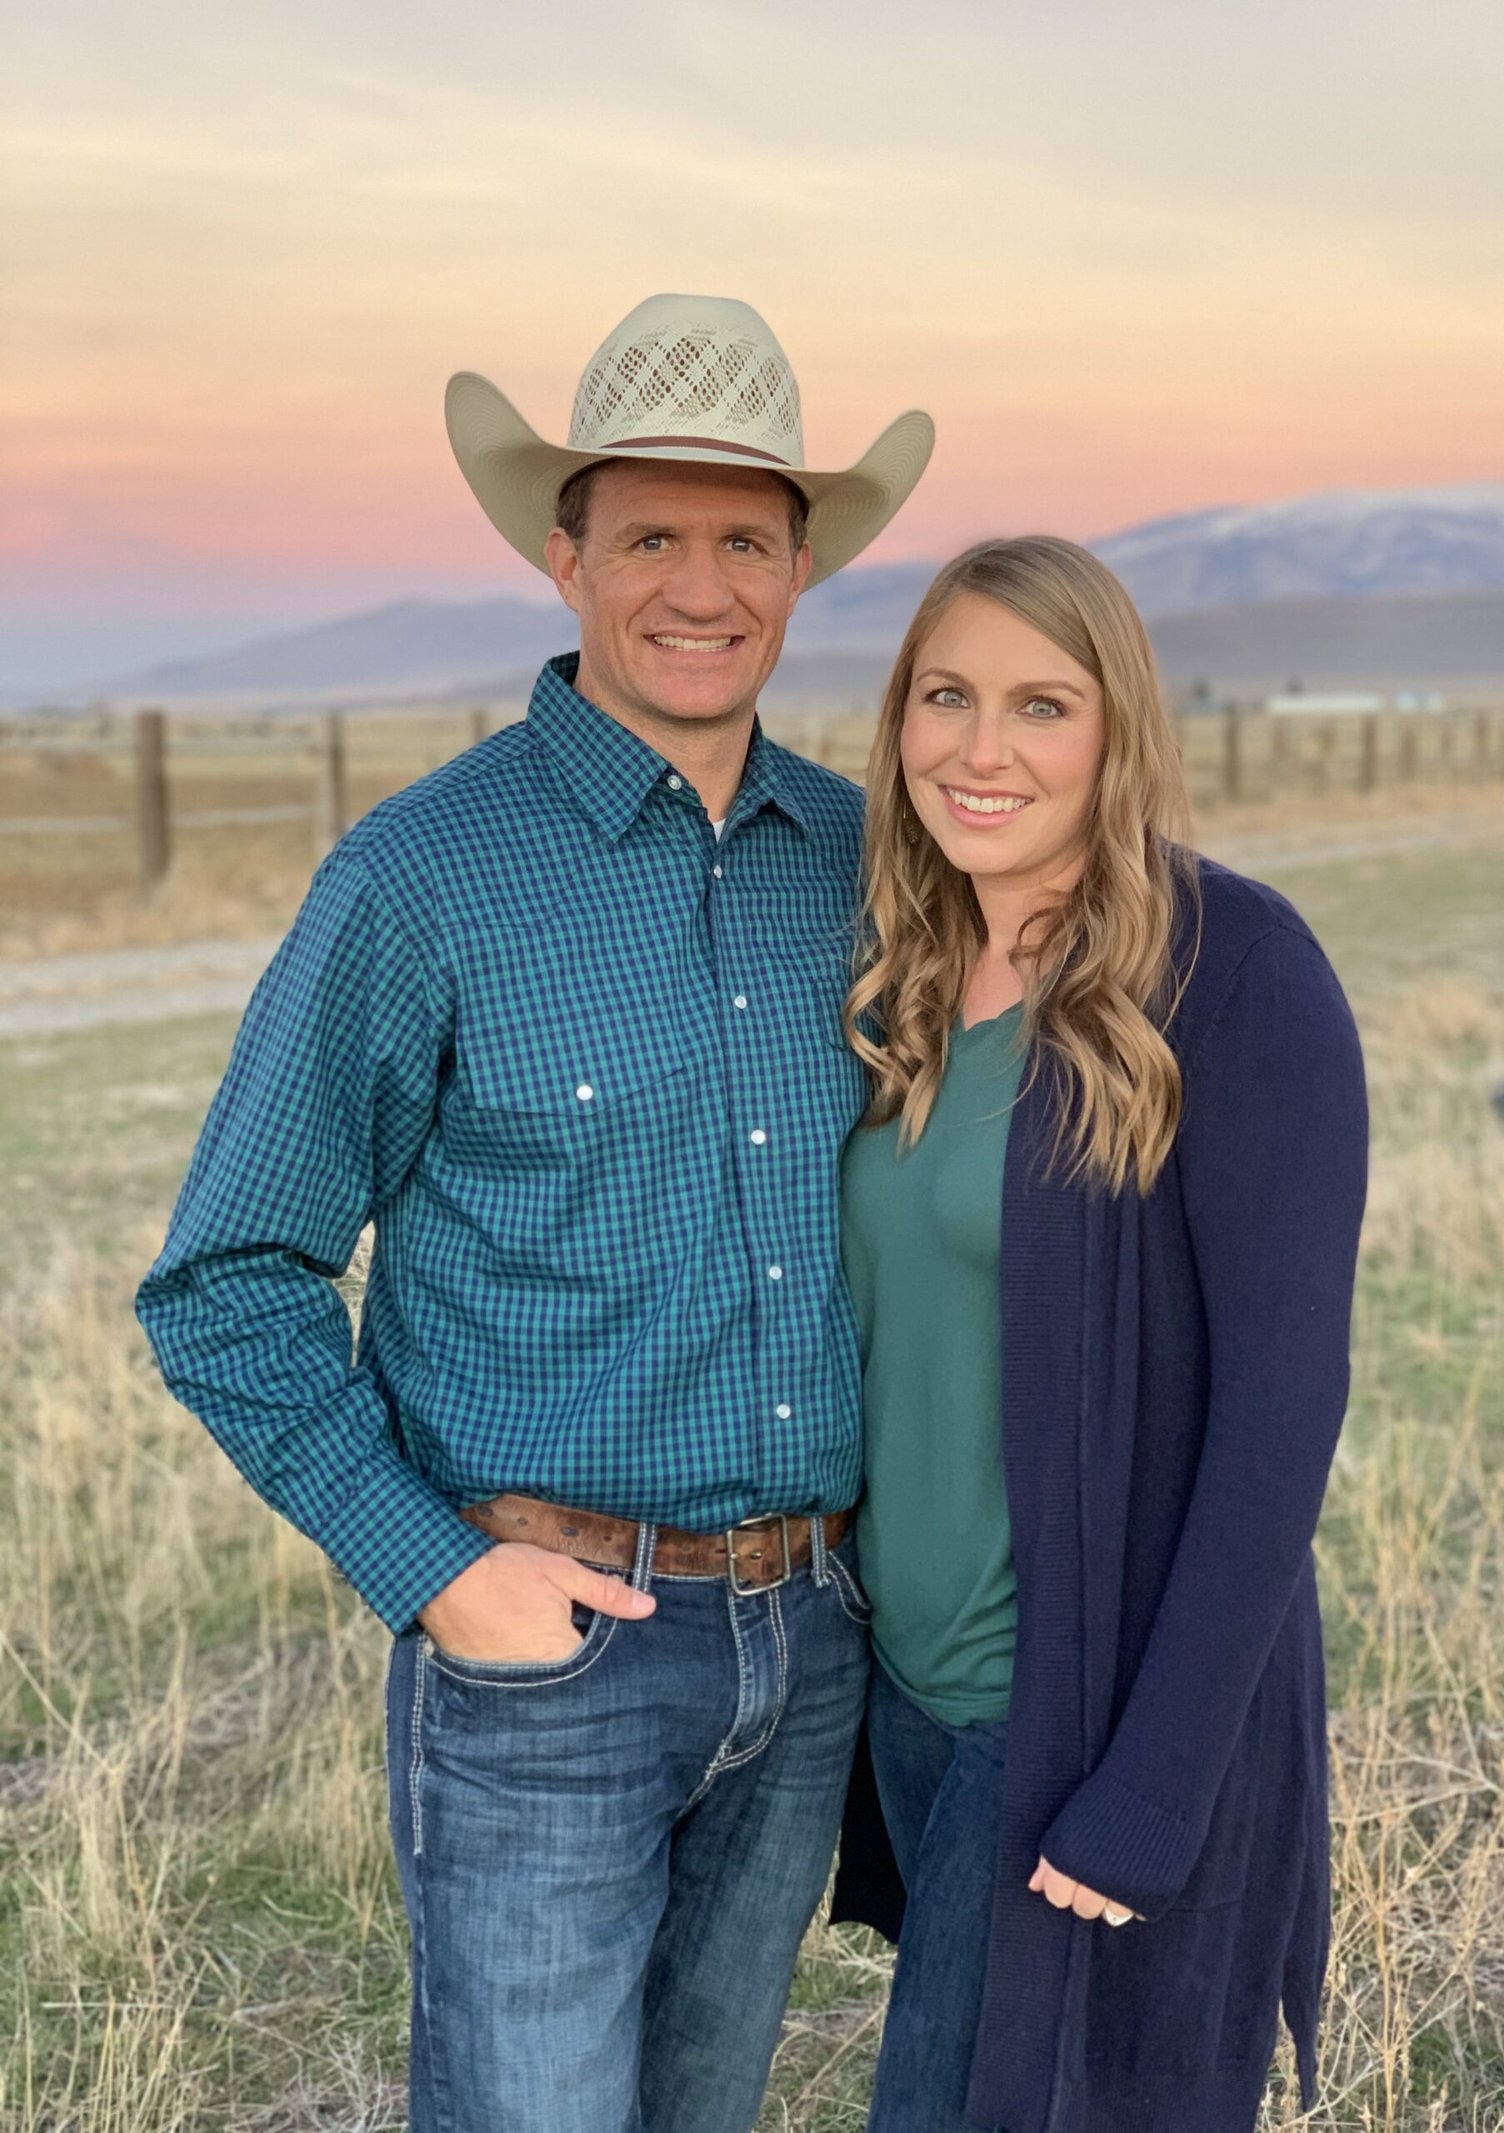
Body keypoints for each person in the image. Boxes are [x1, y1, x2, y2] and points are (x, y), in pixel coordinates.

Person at [135, 293, 933, 2133]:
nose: (699, 583)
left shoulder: (866, 866)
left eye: (745, 537)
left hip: (810, 1644)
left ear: (803, 566)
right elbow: (226, 1281)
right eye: (650, 533)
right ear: (563, 557)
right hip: (548, 1654)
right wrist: (438, 1574)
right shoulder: (422, 878)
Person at [830, 536, 1367, 2132]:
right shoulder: (914, 974)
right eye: (947, 694)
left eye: (1040, 705)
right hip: (913, 1701)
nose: (981, 749)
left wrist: (1151, 1787)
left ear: (1118, 731)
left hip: (1071, 1717)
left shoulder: (1232, 970)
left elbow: (1283, 1414)